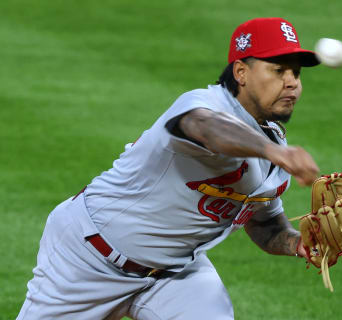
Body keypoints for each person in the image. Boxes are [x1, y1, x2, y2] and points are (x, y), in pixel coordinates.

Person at [17, 17, 321, 320]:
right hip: (88, 258)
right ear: (241, 72)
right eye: (278, 70)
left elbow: (265, 225)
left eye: (296, 72)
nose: (292, 81)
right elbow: (205, 128)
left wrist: (299, 244)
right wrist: (272, 151)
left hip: (174, 275)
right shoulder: (204, 105)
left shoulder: (272, 146)